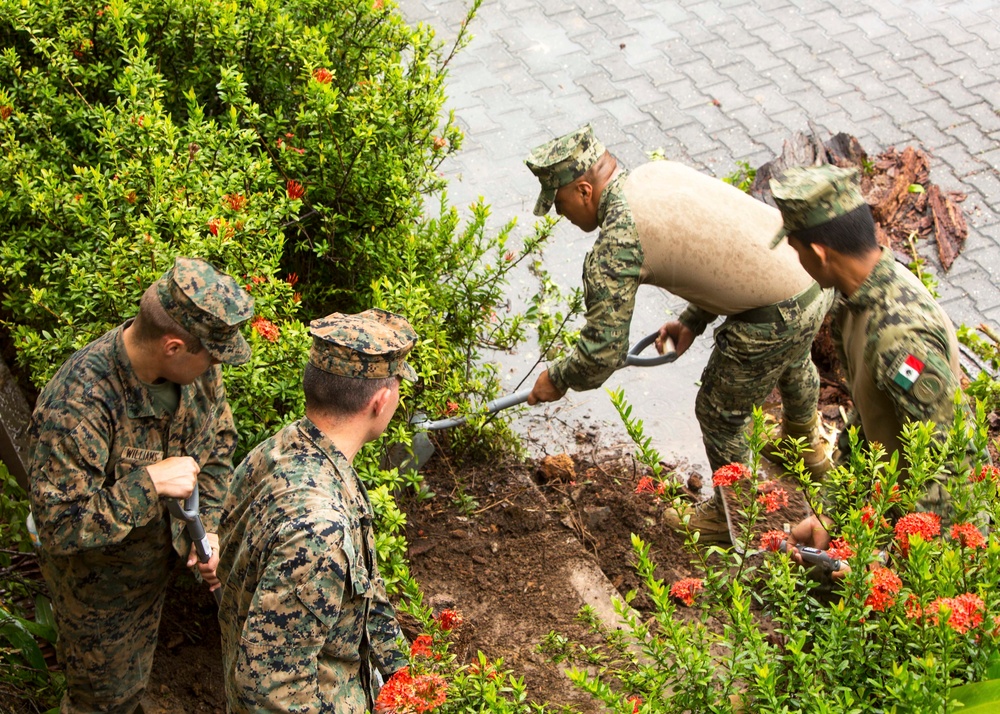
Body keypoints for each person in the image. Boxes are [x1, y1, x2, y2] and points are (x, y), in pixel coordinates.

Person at [524, 125, 832, 543]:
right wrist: (692, 321)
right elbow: (726, 247)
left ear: (583, 190)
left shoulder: (616, 242)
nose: (559, 214)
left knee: (719, 415)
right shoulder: (654, 174)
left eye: (558, 202)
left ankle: (732, 516)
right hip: (813, 277)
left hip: (776, 315)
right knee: (793, 358)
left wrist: (557, 379)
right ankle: (805, 445)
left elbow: (602, 353)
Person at [29, 257, 254, 713]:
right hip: (101, 591)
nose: (216, 365)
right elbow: (58, 526)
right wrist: (149, 483)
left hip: (155, 568)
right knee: (103, 699)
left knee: (132, 680)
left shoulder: (199, 373)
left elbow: (217, 448)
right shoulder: (78, 405)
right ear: (173, 347)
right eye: (210, 355)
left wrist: (206, 528)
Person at [217, 308, 414, 713]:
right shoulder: (319, 530)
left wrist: (403, 675)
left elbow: (361, 588)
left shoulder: (283, 450)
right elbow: (271, 691)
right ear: (382, 400)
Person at [770, 164, 965, 552]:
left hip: (928, 539)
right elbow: (865, 421)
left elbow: (953, 464)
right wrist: (832, 514)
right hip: (892, 505)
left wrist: (884, 565)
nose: (799, 264)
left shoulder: (899, 339)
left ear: (819, 253)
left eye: (797, 252)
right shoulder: (857, 302)